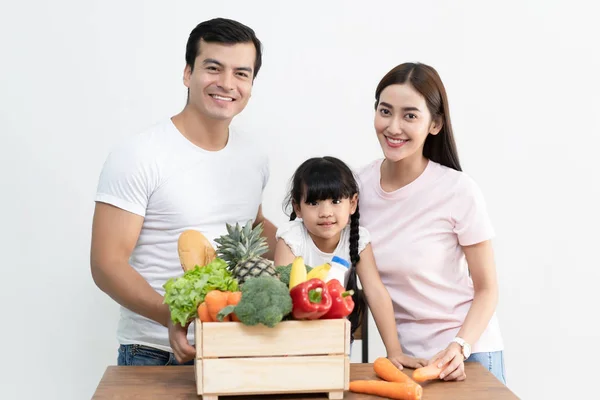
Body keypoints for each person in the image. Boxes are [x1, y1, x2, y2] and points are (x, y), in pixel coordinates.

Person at [90, 17, 276, 366]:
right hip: (154, 351)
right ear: (188, 73)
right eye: (213, 68)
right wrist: (170, 317)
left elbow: (253, 227)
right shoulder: (139, 154)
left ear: (251, 84)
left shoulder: (254, 156)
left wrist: (315, 251)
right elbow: (106, 263)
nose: (226, 83)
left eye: (241, 73)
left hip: (231, 347)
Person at [356, 62, 506, 384]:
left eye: (410, 115)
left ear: (435, 124)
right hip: (407, 360)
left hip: (469, 353)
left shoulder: (458, 190)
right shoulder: (356, 189)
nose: (394, 127)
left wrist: (460, 346)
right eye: (385, 111)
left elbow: (487, 289)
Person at [274, 156, 428, 370]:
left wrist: (394, 352)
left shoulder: (357, 239)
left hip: (337, 333)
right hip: (293, 337)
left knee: (332, 380)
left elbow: (375, 291)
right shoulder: (292, 238)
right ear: (297, 208)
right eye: (313, 202)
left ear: (352, 203)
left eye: (336, 201)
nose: (326, 212)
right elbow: (282, 295)